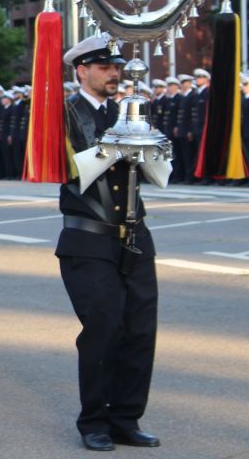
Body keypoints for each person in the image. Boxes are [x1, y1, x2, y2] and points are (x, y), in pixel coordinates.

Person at [54, 35, 161, 451]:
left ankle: (126, 418)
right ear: (82, 70)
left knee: (139, 331)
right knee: (103, 329)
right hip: (88, 238)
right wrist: (119, 144)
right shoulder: (63, 113)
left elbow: (161, 174)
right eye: (104, 67)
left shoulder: (129, 112)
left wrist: (147, 142)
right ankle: (94, 420)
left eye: (116, 67)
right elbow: (70, 169)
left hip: (135, 236)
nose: (114, 74)